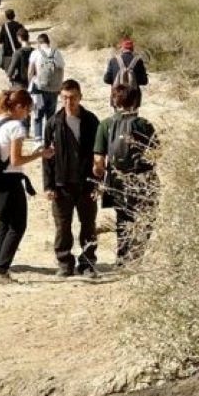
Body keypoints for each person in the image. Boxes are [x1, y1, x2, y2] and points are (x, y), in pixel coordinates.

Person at [0, 89, 52, 281]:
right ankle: (1, 270)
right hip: (10, 181)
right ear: (19, 107)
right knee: (18, 225)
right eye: (27, 110)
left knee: (4, 224)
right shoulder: (16, 127)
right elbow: (16, 160)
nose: (27, 115)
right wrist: (40, 154)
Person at [41, 80, 101, 278]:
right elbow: (47, 157)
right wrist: (48, 185)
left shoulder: (91, 121)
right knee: (62, 227)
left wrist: (99, 183)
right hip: (62, 185)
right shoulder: (53, 123)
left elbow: (100, 153)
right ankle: (65, 263)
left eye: (73, 97)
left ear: (80, 97)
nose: (69, 102)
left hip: (87, 184)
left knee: (89, 225)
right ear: (60, 98)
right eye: (65, 98)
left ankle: (87, 263)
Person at [94, 83, 158, 264]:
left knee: (122, 218)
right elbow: (156, 153)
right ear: (135, 101)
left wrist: (100, 178)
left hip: (117, 181)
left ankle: (122, 257)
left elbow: (98, 160)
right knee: (144, 217)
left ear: (114, 101)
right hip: (143, 179)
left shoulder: (106, 125)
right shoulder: (144, 124)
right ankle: (137, 256)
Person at [28, 32, 66, 139]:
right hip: (54, 88)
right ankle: (49, 138)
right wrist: (59, 85)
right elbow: (61, 69)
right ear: (48, 42)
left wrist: (30, 84)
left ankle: (38, 138)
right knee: (51, 114)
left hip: (39, 88)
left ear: (39, 43)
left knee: (38, 114)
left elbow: (30, 71)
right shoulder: (57, 53)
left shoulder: (36, 53)